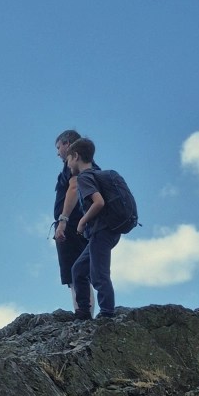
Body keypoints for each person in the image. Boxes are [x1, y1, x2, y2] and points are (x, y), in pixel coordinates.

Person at [66, 136, 119, 321]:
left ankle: (107, 314)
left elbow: (99, 202)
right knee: (78, 270)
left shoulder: (85, 177)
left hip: (101, 231)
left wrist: (82, 221)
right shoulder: (96, 174)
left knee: (99, 274)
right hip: (104, 232)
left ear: (76, 156)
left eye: (68, 159)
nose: (67, 164)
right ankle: (83, 312)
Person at [51, 128, 85, 296]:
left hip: (72, 225)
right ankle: (82, 313)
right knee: (76, 273)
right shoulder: (78, 164)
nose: (57, 153)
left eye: (58, 147)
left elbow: (74, 187)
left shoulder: (73, 165)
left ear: (67, 144)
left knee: (77, 273)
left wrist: (63, 221)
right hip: (75, 224)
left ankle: (83, 314)